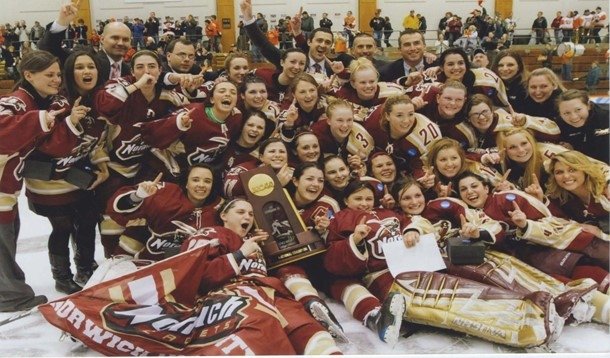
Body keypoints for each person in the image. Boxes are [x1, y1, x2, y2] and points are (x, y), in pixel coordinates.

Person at [181, 198, 342, 354]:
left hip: (268, 292)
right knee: (261, 332)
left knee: (306, 327)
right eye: (241, 212)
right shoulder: (212, 232)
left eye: (251, 214)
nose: (247, 217)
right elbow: (197, 274)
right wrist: (240, 254)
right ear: (224, 215)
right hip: (232, 295)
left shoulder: (253, 241)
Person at [0, 51, 84, 311]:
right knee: (3, 242)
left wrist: (69, 121)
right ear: (28, 75)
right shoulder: (16, 102)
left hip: (8, 186)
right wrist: (42, 118)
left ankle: (11, 292)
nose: (56, 79)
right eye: (49, 74)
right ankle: (11, 296)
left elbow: (52, 146)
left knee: (7, 239)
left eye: (58, 74)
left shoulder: (41, 102)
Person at [24, 50, 109, 293]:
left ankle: (85, 266)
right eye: (79, 67)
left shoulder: (100, 102)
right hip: (49, 179)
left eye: (90, 66)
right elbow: (49, 145)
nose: (86, 71)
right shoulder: (57, 103)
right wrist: (71, 122)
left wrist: (101, 164)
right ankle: (61, 276)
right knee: (62, 226)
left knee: (86, 222)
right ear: (69, 74)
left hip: (79, 175)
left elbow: (99, 141)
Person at [93, 50, 189, 256]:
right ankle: (111, 262)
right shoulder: (119, 86)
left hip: (146, 165)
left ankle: (139, 260)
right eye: (140, 67)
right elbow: (104, 104)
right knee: (112, 218)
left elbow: (189, 110)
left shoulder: (167, 95)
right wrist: (136, 86)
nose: (146, 72)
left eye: (152, 67)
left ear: (160, 70)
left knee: (145, 213)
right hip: (114, 167)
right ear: (132, 71)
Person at [323, 179, 407, 345]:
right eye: (358, 199)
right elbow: (332, 258)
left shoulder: (386, 213)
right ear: (346, 200)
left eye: (369, 199)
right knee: (351, 287)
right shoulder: (341, 218)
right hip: (369, 273)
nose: (364, 203)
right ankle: (377, 318)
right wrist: (355, 239)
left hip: (400, 266)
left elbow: (406, 222)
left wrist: (412, 232)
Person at [38, 2, 132, 80]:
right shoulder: (85, 59)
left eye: (125, 39)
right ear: (102, 39)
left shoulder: (129, 70)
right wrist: (62, 22)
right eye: (115, 38)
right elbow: (49, 49)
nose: (120, 43)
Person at [364, 95, 440, 184]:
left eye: (411, 114)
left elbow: (421, 169)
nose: (406, 120)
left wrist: (424, 181)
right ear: (387, 116)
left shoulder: (423, 137)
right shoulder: (372, 123)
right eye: (399, 115)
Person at [555, 89, 609, 164]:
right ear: (560, 113)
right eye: (566, 113)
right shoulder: (559, 125)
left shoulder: (605, 118)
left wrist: (576, 150)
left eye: (578, 110)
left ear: (588, 106)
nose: (574, 117)